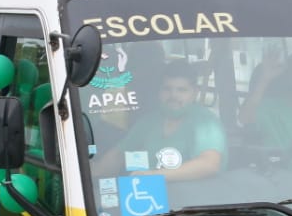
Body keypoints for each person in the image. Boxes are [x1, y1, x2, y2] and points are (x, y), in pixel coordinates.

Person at [93, 61, 226, 182]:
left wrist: (154, 176)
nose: (173, 95)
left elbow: (209, 164)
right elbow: (117, 156)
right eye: (167, 89)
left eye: (182, 90)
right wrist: (88, 173)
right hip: (150, 202)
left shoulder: (206, 122)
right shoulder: (148, 121)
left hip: (194, 203)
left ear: (194, 93)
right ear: (159, 91)